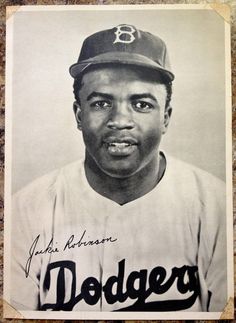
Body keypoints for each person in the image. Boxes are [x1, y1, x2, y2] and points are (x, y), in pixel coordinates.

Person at [10, 24, 226, 313]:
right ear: (78, 114)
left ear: (166, 117)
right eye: (101, 103)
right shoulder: (26, 210)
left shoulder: (216, 206)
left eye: (141, 104)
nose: (120, 120)